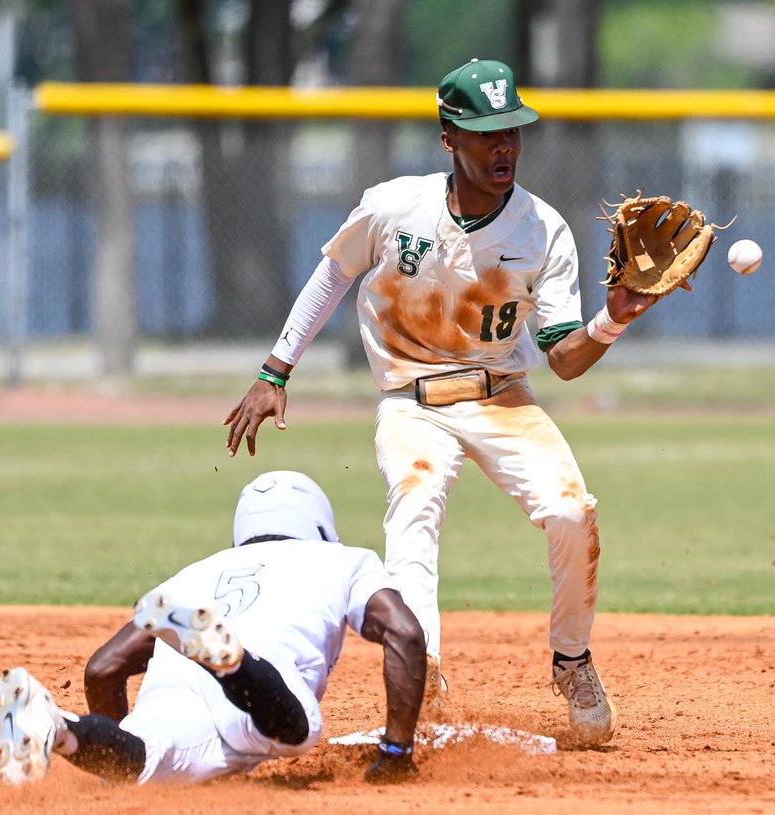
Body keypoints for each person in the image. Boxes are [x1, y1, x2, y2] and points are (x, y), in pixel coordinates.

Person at [224, 59, 657, 746]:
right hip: (412, 400)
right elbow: (332, 274)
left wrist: (616, 318)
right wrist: (275, 370)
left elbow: (565, 360)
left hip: (503, 396)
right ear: (448, 136)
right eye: (486, 134)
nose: (504, 148)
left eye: (512, 131)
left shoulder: (541, 231)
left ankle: (572, 660)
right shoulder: (395, 205)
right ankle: (418, 677)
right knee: (415, 507)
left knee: (574, 512)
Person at [0, 470, 427, 787]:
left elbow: (103, 668)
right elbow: (405, 633)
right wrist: (396, 751)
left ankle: (60, 727)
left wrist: (112, 747)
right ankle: (233, 665)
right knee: (297, 732)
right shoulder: (343, 560)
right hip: (262, 676)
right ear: (319, 526)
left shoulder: (194, 573)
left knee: (143, 759)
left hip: (176, 678)